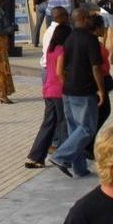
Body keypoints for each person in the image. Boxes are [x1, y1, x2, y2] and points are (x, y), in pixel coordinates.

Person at [53, 9, 109, 179]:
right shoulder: (90, 40)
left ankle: (79, 168)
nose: (91, 20)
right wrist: (101, 90)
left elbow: (63, 65)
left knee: (74, 130)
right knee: (87, 128)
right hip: (84, 90)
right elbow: (96, 67)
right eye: (89, 17)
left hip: (68, 90)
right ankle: (60, 156)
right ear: (83, 19)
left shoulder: (69, 37)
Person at [25, 10, 73, 170]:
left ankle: (35, 157)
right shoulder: (62, 51)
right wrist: (68, 86)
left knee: (48, 123)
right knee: (63, 123)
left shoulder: (51, 50)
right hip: (59, 91)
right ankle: (63, 157)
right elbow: (60, 73)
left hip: (48, 89)